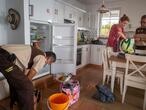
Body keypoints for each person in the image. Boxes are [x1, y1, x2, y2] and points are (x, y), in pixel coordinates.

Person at [0, 44, 56, 110]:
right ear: (49, 58)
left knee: (15, 82)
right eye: (50, 62)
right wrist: (30, 90)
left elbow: (25, 73)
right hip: (4, 57)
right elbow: (33, 72)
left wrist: (26, 82)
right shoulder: (42, 58)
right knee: (27, 87)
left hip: (3, 55)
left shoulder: (37, 53)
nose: (48, 64)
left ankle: (16, 101)